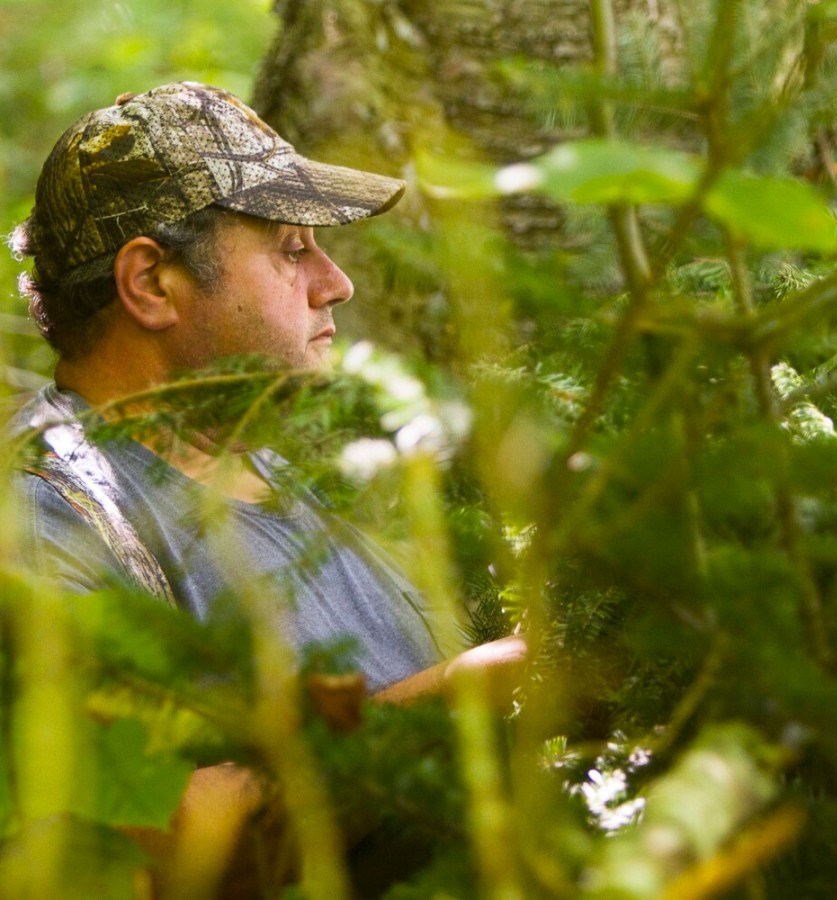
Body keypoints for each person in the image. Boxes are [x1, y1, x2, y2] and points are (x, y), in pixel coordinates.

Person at [6, 81, 524, 891]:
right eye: (291, 249)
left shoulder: (274, 471)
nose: (335, 282)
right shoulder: (44, 518)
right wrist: (466, 698)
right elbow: (153, 846)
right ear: (151, 284)